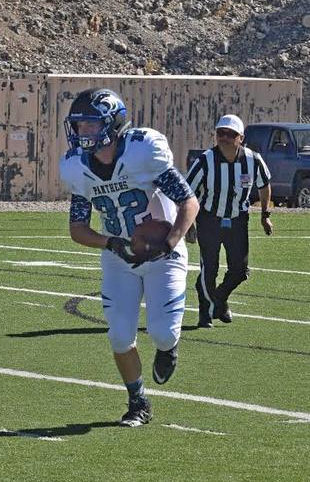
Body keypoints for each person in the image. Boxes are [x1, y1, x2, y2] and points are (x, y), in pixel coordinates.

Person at [59, 88, 199, 427]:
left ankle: (168, 348)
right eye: (79, 125)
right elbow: (78, 228)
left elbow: (188, 201)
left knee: (163, 333)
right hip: (119, 256)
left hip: (162, 254)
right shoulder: (77, 167)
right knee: (120, 336)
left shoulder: (142, 153)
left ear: (112, 124)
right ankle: (138, 401)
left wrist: (170, 242)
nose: (83, 132)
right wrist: (112, 244)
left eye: (91, 124)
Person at [185, 115, 272, 328]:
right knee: (209, 269)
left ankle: (219, 299)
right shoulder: (205, 160)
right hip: (209, 220)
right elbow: (187, 192)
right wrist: (189, 224)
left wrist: (265, 215)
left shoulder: (253, 159)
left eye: (230, 134)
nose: (224, 137)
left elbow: (264, 186)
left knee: (240, 271)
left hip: (238, 220)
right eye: (220, 133)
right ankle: (205, 314)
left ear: (241, 138)